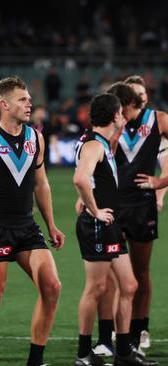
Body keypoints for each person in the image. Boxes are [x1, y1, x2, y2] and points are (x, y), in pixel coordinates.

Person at [0, 76, 64, 366]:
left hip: (26, 227)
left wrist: (50, 224)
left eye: (29, 99)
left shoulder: (34, 137)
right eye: (23, 100)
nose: (30, 104)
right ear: (3, 104)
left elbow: (41, 183)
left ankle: (35, 360)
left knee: (52, 286)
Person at [72, 93, 157, 366]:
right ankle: (84, 353)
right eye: (120, 112)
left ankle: (122, 353)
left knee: (129, 285)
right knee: (95, 288)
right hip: (98, 225)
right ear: (114, 116)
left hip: (110, 224)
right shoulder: (94, 145)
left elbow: (93, 181)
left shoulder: (102, 143)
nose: (124, 117)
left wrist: (90, 203)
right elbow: (80, 178)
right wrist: (93, 209)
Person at [108, 80, 168, 353]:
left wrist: (161, 182)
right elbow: (98, 159)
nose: (118, 114)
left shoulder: (158, 120)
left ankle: (139, 330)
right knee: (114, 274)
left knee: (140, 272)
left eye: (122, 110)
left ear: (133, 104)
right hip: (114, 208)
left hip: (142, 207)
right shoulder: (112, 124)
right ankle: (114, 333)